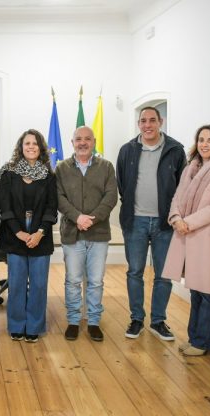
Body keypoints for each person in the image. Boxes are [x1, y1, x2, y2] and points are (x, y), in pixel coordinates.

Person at [163, 125, 210, 356]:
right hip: (188, 235)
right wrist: (176, 218)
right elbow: (177, 198)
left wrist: (188, 222)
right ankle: (195, 338)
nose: (204, 144)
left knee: (208, 292)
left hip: (208, 239)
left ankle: (204, 343)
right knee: (195, 291)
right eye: (201, 139)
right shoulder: (190, 169)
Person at [117, 106, 186, 341]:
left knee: (164, 274)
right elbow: (122, 184)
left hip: (165, 223)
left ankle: (158, 321)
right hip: (134, 221)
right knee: (135, 272)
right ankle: (136, 319)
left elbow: (182, 187)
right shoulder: (127, 150)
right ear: (139, 124)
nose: (148, 125)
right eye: (143, 121)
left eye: (152, 120)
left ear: (160, 122)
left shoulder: (175, 150)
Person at [56, 126, 117, 342]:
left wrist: (92, 219)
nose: (83, 143)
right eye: (78, 139)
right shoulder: (61, 168)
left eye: (87, 139)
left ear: (94, 142)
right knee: (73, 280)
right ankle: (73, 321)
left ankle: (93, 322)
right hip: (72, 233)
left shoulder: (106, 167)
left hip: (98, 233)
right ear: (72, 143)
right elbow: (58, 197)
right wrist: (77, 217)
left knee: (96, 281)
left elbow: (111, 196)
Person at [0, 129, 57, 343]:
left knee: (39, 284)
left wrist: (40, 232)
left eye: (35, 143)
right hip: (14, 231)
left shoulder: (49, 175)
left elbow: (52, 207)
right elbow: (5, 207)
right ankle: (16, 325)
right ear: (21, 147)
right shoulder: (8, 172)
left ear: (41, 148)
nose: (31, 147)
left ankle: (34, 327)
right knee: (17, 282)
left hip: (41, 232)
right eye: (27, 143)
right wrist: (19, 232)